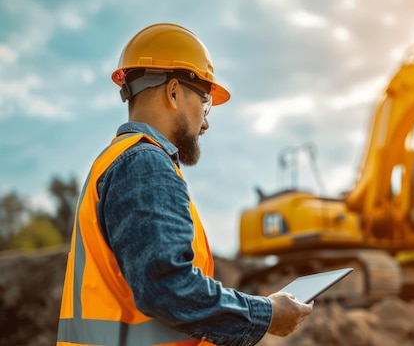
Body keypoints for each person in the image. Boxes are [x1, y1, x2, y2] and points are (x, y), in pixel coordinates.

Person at [56, 23, 313, 346]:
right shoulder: (144, 164)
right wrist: (267, 314)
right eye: (205, 102)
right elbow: (168, 288)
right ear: (173, 92)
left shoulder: (116, 161)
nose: (205, 121)